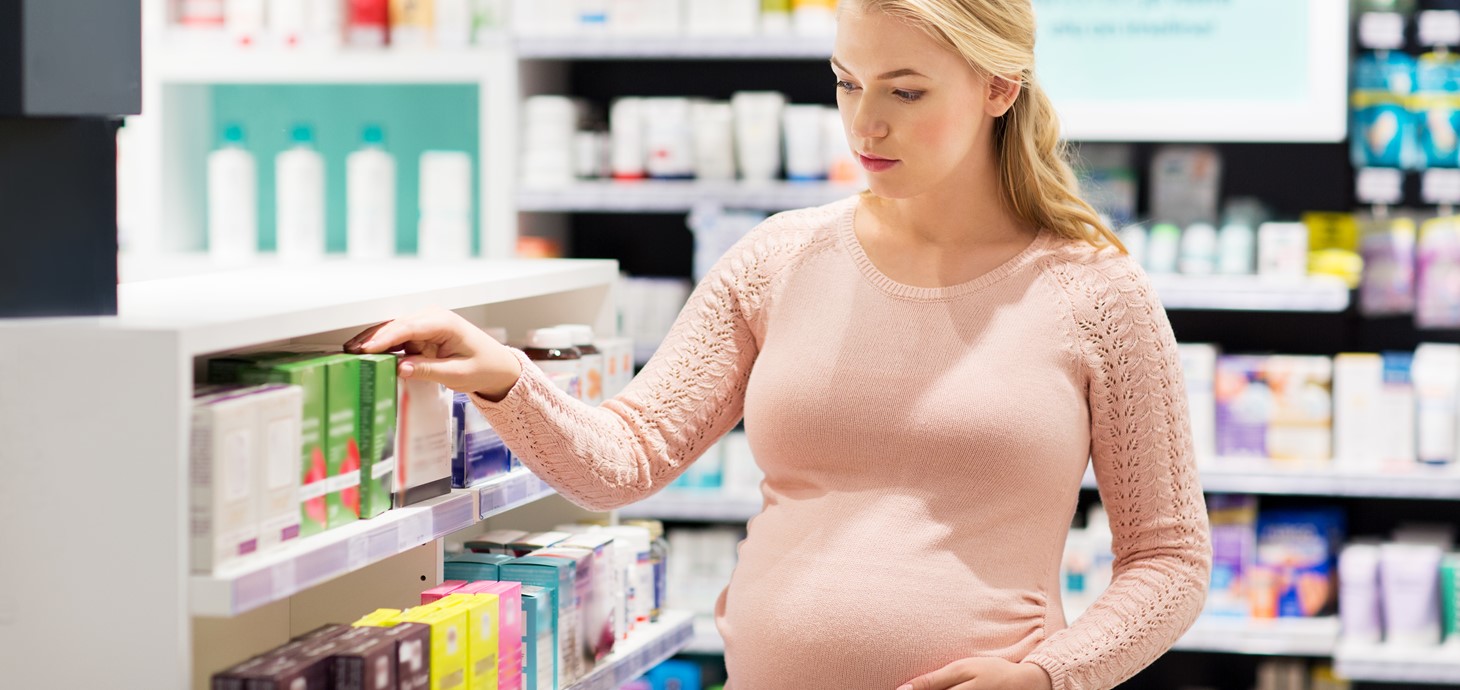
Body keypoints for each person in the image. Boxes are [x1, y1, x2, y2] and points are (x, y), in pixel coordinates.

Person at [346, 1, 1212, 688]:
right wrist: (505, 380)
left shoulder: (1095, 293)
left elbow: (1169, 560)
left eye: (905, 91)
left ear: (999, 86)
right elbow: (630, 454)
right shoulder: (781, 257)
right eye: (846, 82)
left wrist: (1048, 677)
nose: (864, 123)